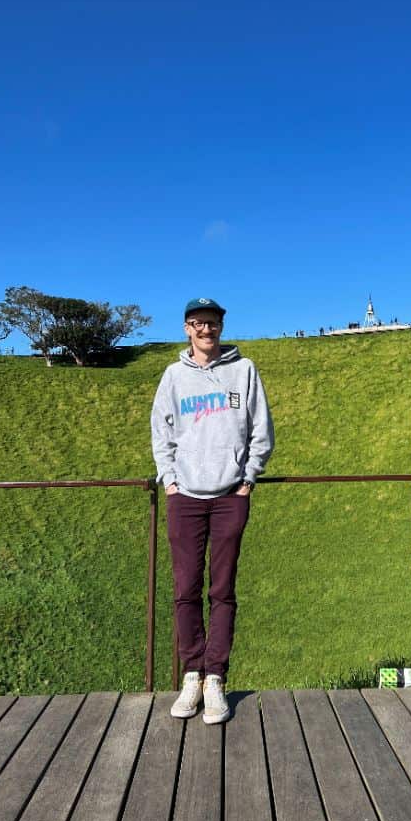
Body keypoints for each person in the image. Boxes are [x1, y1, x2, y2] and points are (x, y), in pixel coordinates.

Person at [151, 297, 274, 723]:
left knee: (222, 590)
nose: (207, 330)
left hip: (229, 498)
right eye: (199, 323)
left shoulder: (244, 371)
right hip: (184, 498)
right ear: (187, 328)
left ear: (221, 327)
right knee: (186, 589)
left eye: (213, 323)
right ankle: (191, 675)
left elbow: (261, 429)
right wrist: (169, 480)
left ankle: (215, 678)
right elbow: (160, 433)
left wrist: (248, 479)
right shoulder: (173, 377)